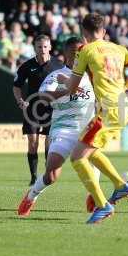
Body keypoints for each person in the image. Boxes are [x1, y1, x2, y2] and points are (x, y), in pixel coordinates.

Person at [60, 13, 128, 224]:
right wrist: (125, 88)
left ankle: (103, 205)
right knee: (90, 151)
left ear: (84, 33)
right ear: (103, 31)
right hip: (122, 107)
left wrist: (64, 83)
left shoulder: (85, 50)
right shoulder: (117, 48)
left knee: (77, 157)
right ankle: (120, 186)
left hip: (109, 110)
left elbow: (72, 88)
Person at [17, 37, 100, 216]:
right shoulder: (55, 75)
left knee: (95, 163)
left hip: (87, 129)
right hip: (64, 128)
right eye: (77, 52)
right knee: (52, 174)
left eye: (83, 51)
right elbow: (43, 96)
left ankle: (93, 196)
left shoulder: (93, 75)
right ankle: (31, 196)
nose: (81, 55)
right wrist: (67, 90)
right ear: (67, 54)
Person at [13, 34, 63, 185]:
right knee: (33, 142)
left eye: (45, 47)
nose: (42, 50)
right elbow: (16, 86)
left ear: (50, 47)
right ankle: (34, 177)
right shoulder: (27, 66)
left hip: (52, 108)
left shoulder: (58, 65)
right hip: (32, 108)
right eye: (39, 47)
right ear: (34, 48)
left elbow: (67, 84)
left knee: (49, 143)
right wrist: (20, 100)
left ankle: (48, 175)